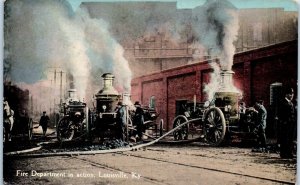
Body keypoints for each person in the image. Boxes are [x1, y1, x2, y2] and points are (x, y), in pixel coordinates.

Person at [278, 87, 296, 158]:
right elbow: (280, 114)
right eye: (290, 94)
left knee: (290, 139)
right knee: (285, 139)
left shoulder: (291, 103)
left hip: (291, 124)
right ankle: (284, 154)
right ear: (286, 95)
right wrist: (284, 121)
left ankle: (289, 153)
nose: (292, 95)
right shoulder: (282, 102)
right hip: (285, 124)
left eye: (292, 94)